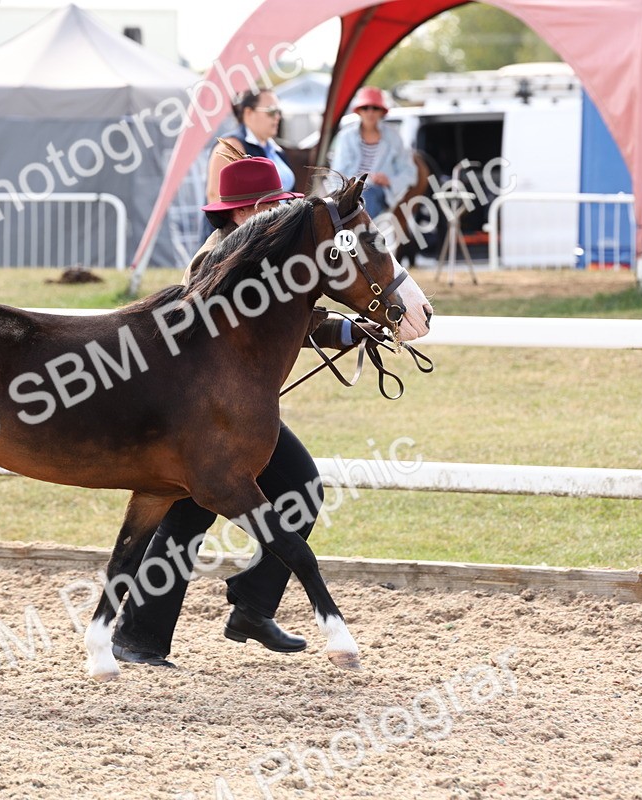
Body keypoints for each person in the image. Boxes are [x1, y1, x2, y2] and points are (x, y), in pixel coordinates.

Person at [110, 153, 384, 668]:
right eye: (268, 206)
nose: (278, 214)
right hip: (204, 417)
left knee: (301, 488)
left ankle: (251, 607)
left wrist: (349, 329)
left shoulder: (268, 252)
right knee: (188, 518)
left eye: (281, 205)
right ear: (239, 214)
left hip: (240, 414)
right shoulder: (214, 261)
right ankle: (139, 637)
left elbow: (291, 317)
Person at [201, 89, 295, 236]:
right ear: (249, 113)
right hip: (242, 240)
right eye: (271, 111)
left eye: (279, 111)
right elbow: (216, 198)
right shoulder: (230, 146)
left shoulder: (277, 150)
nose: (277, 116)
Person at [329, 86, 416, 219]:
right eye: (365, 108)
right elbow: (337, 173)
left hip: (380, 193)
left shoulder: (394, 137)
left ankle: (364, 234)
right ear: (359, 111)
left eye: (375, 108)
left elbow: (410, 173)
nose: (370, 112)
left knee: (368, 196)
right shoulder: (346, 136)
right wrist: (354, 185)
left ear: (382, 111)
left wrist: (389, 181)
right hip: (349, 192)